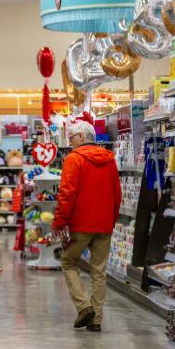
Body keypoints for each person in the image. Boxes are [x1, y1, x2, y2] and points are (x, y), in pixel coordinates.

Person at [52, 120, 122, 333]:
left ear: (81, 137)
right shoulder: (110, 159)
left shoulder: (74, 159)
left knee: (68, 261)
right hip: (104, 224)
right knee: (99, 271)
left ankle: (84, 307)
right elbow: (117, 194)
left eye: (72, 138)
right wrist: (111, 220)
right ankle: (96, 319)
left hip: (80, 224)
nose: (70, 142)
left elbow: (67, 194)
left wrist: (59, 222)